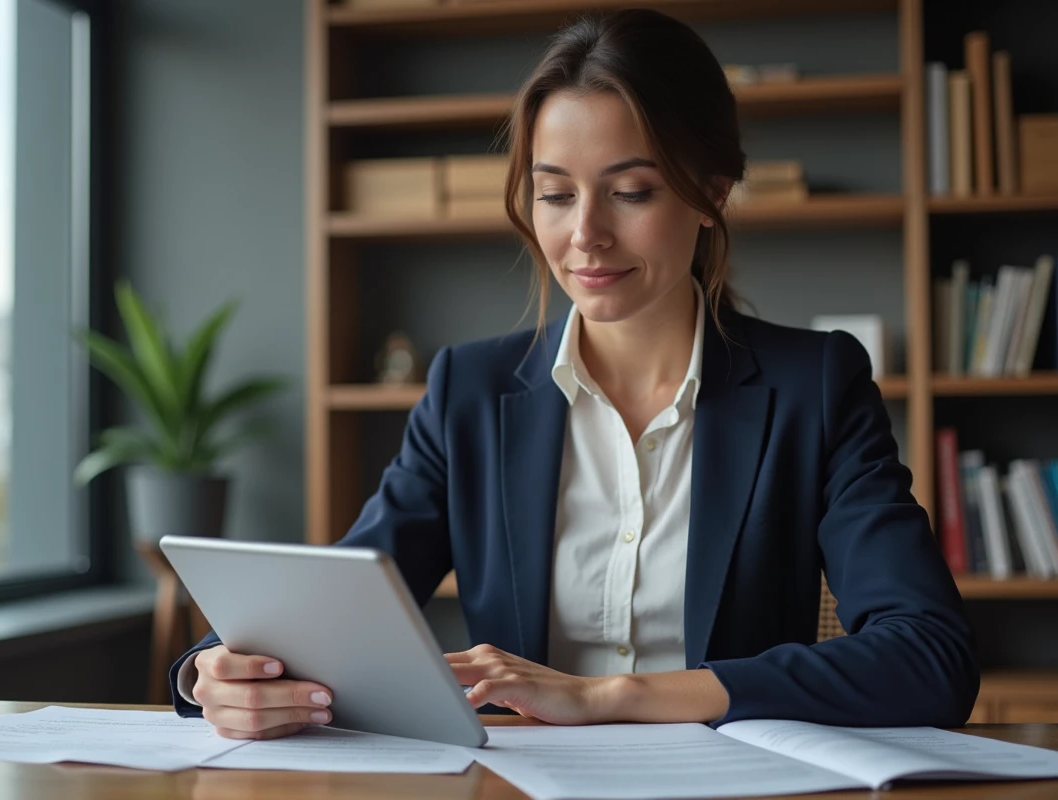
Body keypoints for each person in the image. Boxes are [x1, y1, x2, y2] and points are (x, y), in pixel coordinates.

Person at [168, 8, 979, 741]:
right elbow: (340, 604)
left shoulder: (817, 386)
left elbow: (930, 658)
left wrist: (610, 696)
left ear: (711, 193)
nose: (585, 234)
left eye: (630, 191)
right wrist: (211, 671)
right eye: (555, 194)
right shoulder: (470, 393)